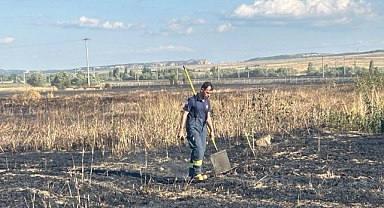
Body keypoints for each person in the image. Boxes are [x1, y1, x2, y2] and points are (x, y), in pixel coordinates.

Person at [177, 82, 215, 182]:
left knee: (201, 150)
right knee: (198, 148)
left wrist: (212, 130)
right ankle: (197, 173)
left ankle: (192, 173)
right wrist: (181, 130)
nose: (208, 95)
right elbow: (184, 114)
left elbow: (208, 117)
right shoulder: (191, 100)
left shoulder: (207, 102)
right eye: (207, 92)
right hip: (193, 125)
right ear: (202, 90)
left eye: (210, 93)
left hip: (203, 127)